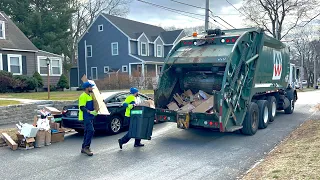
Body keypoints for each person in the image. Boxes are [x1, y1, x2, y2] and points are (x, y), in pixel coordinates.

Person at [78, 82, 98, 156]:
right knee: (91, 130)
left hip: (90, 116)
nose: (92, 88)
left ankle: (83, 148)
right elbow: (82, 107)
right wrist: (90, 112)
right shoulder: (83, 96)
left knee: (87, 131)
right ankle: (87, 147)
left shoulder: (90, 95)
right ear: (87, 88)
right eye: (90, 87)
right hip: (85, 116)